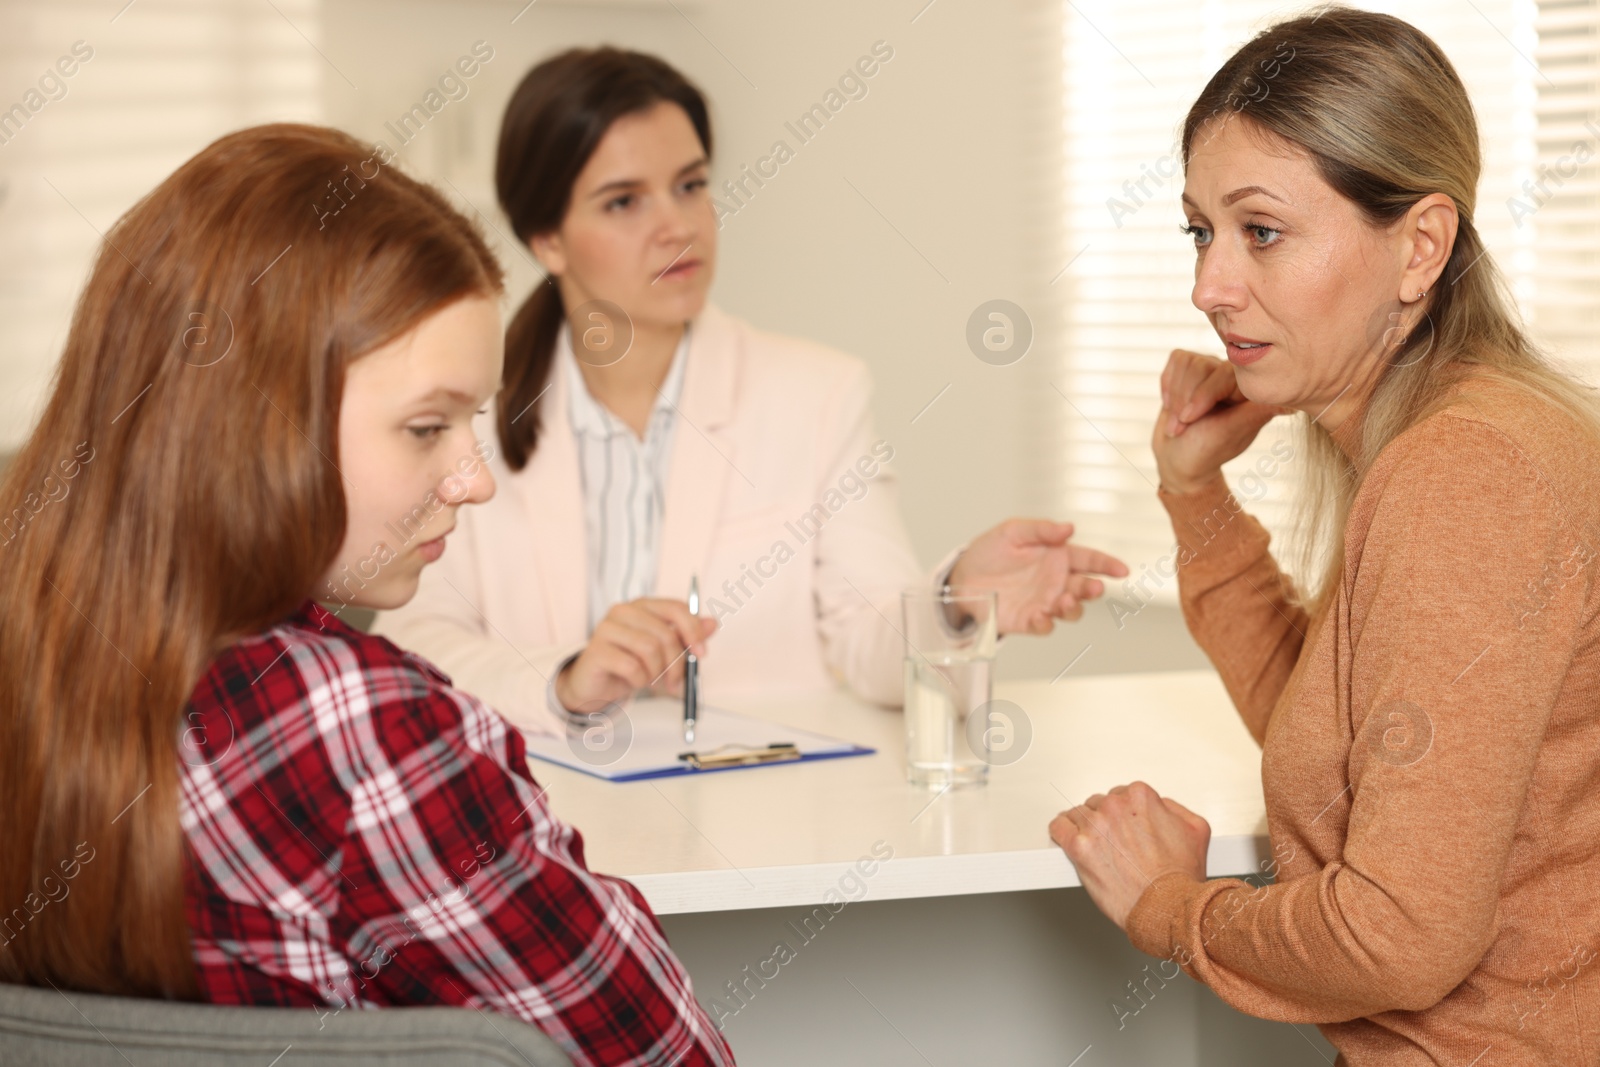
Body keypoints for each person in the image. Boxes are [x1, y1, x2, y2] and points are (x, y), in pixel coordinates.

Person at [0, 124, 733, 1067]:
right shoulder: (362, 730)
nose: (473, 478)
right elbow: (670, 1054)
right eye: (428, 427)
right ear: (249, 419)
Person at [1049, 9, 1600, 1062]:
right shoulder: (1461, 434)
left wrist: (1174, 906)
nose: (1208, 286)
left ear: (1419, 246)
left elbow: (1399, 934)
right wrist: (1192, 491)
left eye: (1260, 230)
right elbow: (1346, 738)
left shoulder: (1465, 473)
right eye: (1199, 230)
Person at [371, 47, 1128, 731]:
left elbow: (875, 645)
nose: (679, 226)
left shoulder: (816, 395)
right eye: (624, 201)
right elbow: (415, 647)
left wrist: (954, 598)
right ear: (547, 240)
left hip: (758, 828)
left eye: (691, 185)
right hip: (542, 826)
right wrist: (566, 676)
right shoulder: (468, 414)